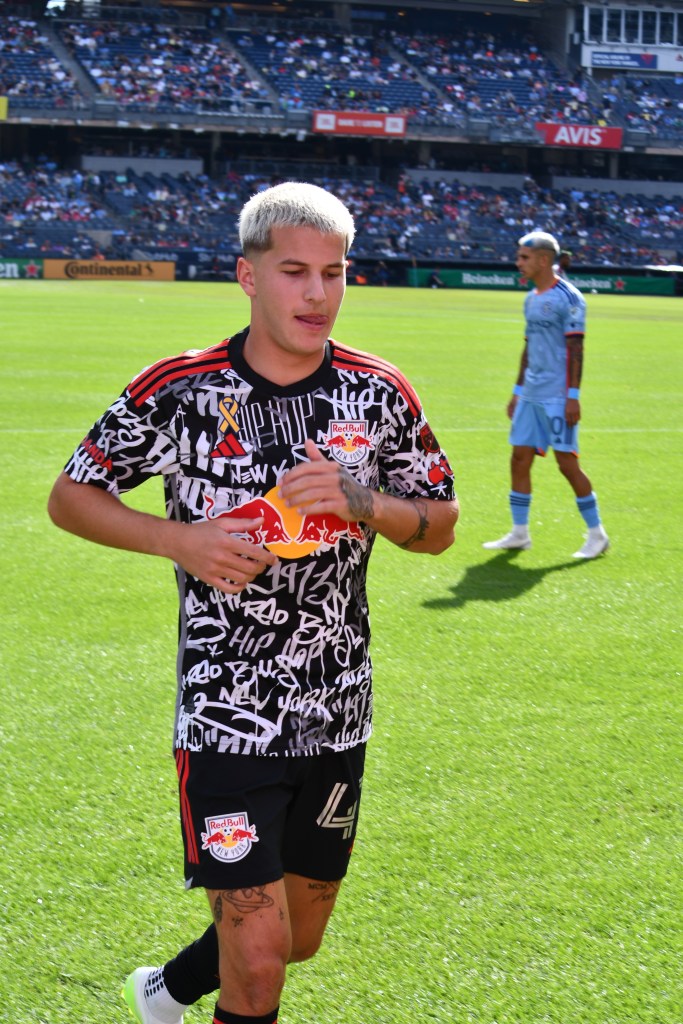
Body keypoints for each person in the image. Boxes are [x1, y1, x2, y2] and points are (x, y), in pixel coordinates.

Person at [48, 181, 459, 1024]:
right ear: (247, 275)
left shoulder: (379, 394)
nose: (316, 295)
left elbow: (441, 525)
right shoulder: (181, 389)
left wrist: (363, 502)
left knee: (297, 939)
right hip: (226, 714)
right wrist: (181, 540)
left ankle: (164, 990)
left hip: (338, 710)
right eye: (295, 272)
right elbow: (70, 497)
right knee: (263, 955)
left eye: (334, 274)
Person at [483, 230, 608, 559]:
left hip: (557, 396)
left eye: (523, 258)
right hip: (531, 395)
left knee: (566, 463)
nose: (518, 263)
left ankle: (597, 535)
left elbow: (576, 348)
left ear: (542, 259)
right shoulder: (531, 299)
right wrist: (516, 391)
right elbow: (529, 347)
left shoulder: (569, 298)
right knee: (519, 459)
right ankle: (519, 533)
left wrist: (573, 396)